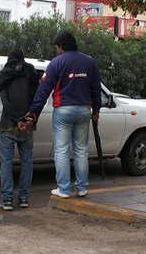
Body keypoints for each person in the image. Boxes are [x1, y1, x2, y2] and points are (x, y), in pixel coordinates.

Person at [23, 31, 102, 198]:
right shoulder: (89, 62)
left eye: (57, 47)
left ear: (61, 46)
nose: (56, 50)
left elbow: (44, 90)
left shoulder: (56, 63)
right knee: (81, 150)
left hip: (63, 110)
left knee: (62, 150)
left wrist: (33, 112)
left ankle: (64, 189)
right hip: (84, 110)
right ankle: (81, 187)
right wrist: (96, 110)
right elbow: (96, 88)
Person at [0, 49, 39, 210]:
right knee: (27, 161)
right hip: (27, 124)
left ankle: (7, 200)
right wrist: (28, 119)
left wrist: (17, 120)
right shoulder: (30, 72)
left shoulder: (5, 74)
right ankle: (24, 198)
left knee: (6, 162)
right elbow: (37, 97)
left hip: (8, 124)